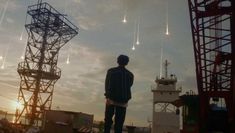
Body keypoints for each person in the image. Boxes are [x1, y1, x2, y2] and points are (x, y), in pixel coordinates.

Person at [104, 55, 134, 133]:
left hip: (111, 99)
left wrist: (107, 96)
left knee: (108, 121)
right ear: (127, 63)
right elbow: (130, 85)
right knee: (119, 124)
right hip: (123, 101)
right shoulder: (130, 75)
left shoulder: (111, 71)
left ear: (117, 61)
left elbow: (107, 84)